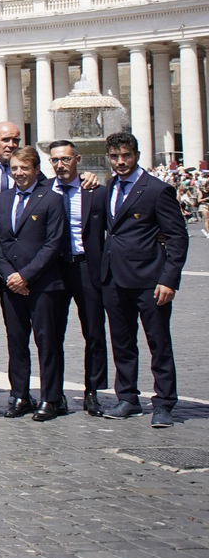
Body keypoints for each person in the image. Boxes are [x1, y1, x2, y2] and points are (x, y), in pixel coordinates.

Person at [97, 131, 188, 428]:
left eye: (126, 156)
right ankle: (127, 397)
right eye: (114, 157)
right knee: (122, 342)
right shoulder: (109, 186)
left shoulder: (157, 189)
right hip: (114, 277)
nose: (120, 162)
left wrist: (169, 279)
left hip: (150, 278)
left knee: (158, 342)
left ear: (136, 155)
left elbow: (177, 236)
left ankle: (164, 402)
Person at [0, 146, 69, 421]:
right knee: (16, 342)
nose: (19, 173)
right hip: (11, 284)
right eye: (14, 168)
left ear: (36, 170)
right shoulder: (1, 200)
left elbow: (53, 244)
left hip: (43, 283)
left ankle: (51, 397)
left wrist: (26, 275)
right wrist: (9, 275)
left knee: (47, 342)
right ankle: (20, 394)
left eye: (24, 168)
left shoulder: (51, 199)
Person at [47, 140, 109, 415]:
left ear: (78, 159)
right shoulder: (43, 190)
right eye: (55, 160)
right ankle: (54, 392)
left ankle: (93, 391)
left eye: (66, 159)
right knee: (51, 333)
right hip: (54, 269)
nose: (60, 164)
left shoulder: (94, 191)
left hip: (86, 267)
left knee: (94, 331)